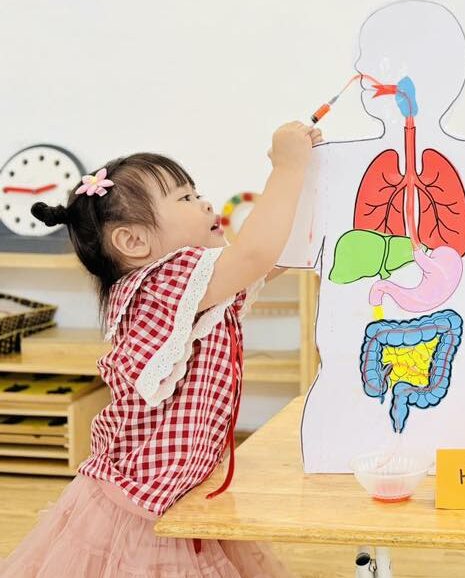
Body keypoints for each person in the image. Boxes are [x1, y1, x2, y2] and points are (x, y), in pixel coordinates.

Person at [1, 121, 321, 577]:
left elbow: (273, 255)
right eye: (185, 198)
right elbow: (255, 255)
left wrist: (301, 177)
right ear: (134, 241)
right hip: (139, 505)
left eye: (198, 192)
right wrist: (287, 169)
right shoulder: (162, 281)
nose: (205, 202)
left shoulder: (190, 284)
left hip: (178, 487)